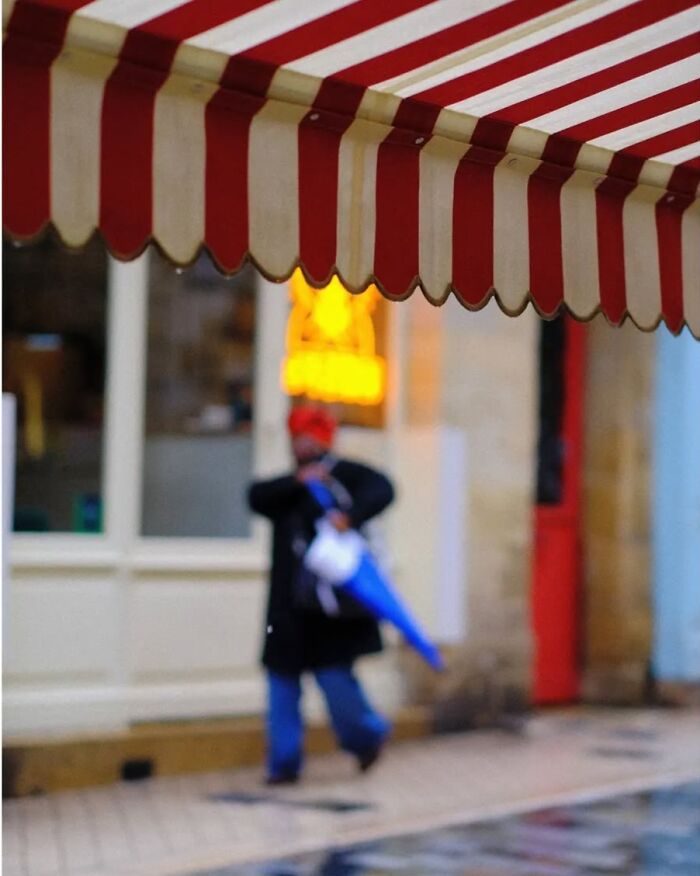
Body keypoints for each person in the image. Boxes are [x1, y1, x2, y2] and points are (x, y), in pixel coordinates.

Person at [248, 404, 395, 785]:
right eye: (297, 440)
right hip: (286, 611)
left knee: (337, 685)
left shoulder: (345, 477)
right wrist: (299, 481)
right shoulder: (288, 488)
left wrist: (350, 515)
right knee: (281, 686)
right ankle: (283, 764)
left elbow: (384, 488)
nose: (302, 447)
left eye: (309, 439)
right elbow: (256, 497)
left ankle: (367, 738)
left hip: (331, 611)